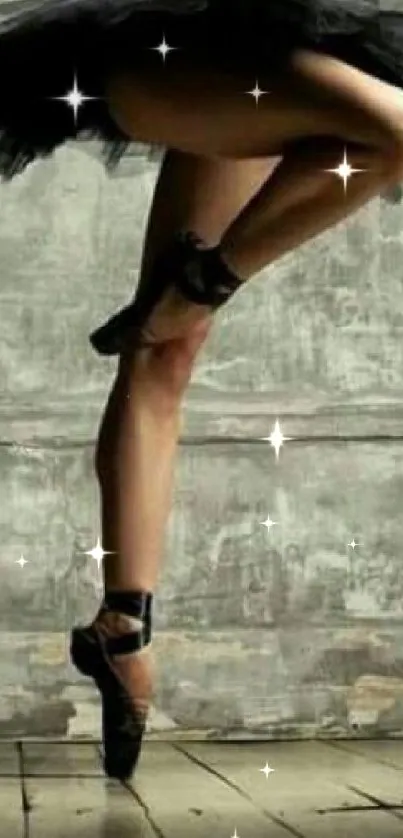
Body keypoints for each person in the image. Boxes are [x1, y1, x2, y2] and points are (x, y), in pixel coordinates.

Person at [1, 0, 403, 781]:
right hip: (165, 43)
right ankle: (198, 283)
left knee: (164, 357)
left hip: (268, 42)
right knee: (393, 129)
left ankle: (120, 628)